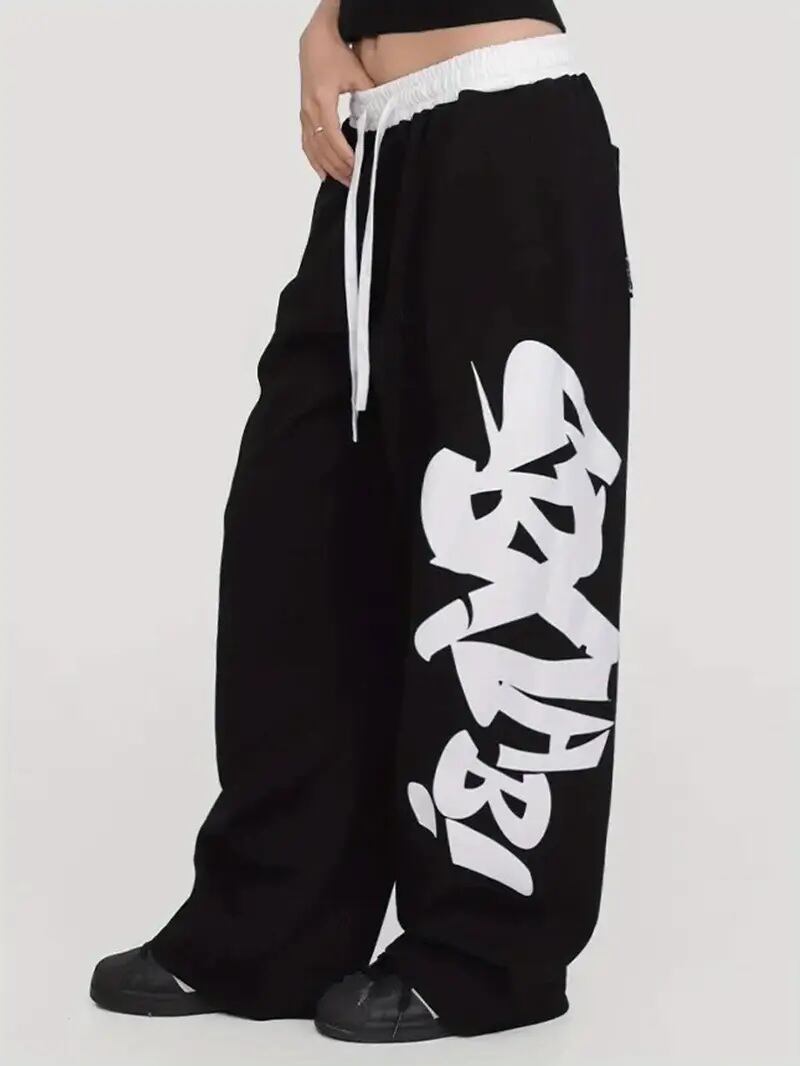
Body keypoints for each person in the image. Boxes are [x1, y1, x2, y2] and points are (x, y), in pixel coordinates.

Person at [90, 0, 631, 1044]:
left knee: (507, 550)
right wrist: (331, 20)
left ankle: (485, 951)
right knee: (297, 528)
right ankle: (274, 927)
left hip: (508, 123)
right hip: (378, 153)